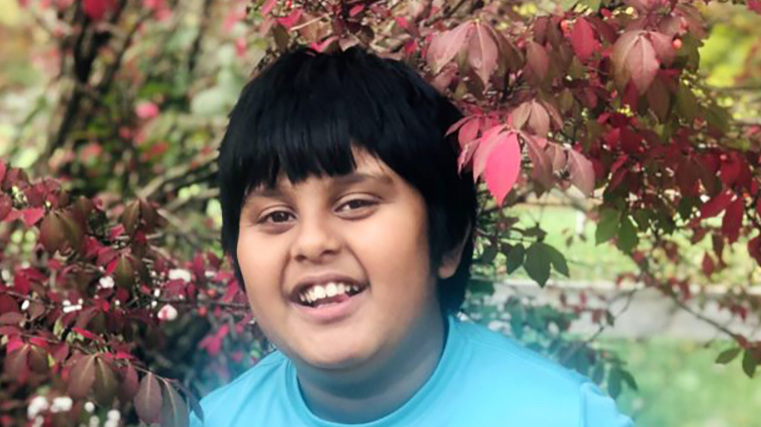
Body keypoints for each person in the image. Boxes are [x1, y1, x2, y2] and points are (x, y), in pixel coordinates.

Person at [192, 46, 635, 426]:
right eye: (276, 216)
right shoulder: (213, 421)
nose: (312, 243)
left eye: (355, 204)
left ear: (449, 240)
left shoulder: (564, 416)